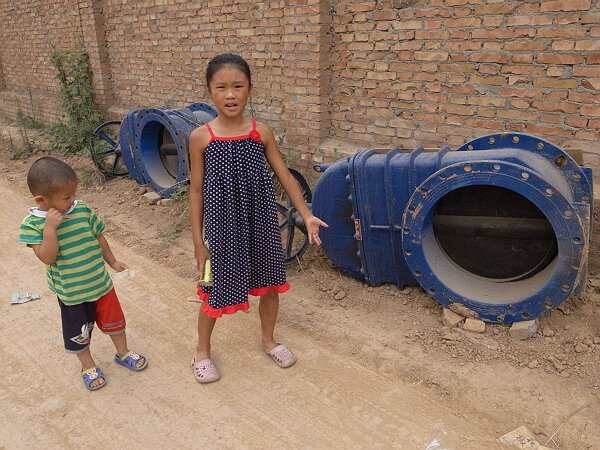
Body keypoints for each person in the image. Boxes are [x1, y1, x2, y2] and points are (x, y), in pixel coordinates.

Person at [188, 53, 328, 382]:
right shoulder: (201, 137)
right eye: (221, 87)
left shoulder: (260, 132)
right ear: (210, 91)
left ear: (250, 88)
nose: (231, 94)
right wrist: (198, 241)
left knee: (269, 287)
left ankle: (268, 340)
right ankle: (201, 351)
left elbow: (286, 177)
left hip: (262, 224)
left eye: (238, 86)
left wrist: (306, 215)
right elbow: (195, 191)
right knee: (216, 289)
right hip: (222, 229)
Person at [19, 156, 147, 391]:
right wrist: (49, 229)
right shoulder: (32, 225)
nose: (73, 200)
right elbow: (47, 257)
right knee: (80, 333)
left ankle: (122, 352)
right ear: (41, 199)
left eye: (74, 193)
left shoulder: (82, 210)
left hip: (101, 284)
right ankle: (87, 365)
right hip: (73, 295)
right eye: (67, 197)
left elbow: (99, 236)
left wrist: (112, 261)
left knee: (115, 323)